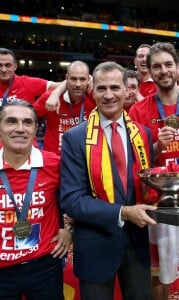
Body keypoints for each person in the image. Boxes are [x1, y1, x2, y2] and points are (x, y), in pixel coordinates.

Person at [59, 61, 157, 300]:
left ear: (127, 90)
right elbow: (72, 200)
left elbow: (148, 187)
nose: (109, 95)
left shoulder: (143, 134)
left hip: (137, 243)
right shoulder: (75, 138)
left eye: (115, 87)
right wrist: (123, 212)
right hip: (95, 245)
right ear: (93, 91)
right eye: (102, 88)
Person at [129, 42, 179, 300]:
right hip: (158, 204)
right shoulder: (138, 110)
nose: (163, 71)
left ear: (177, 67)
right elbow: (138, 161)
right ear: (149, 71)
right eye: (157, 66)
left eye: (168, 65)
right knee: (159, 272)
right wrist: (157, 145)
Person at [0, 99, 72, 300]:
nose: (20, 129)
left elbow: (79, 196)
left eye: (27, 122)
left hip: (44, 266)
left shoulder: (54, 164)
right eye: (11, 121)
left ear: (35, 129)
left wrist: (70, 229)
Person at [33, 60, 96, 155]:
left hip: (85, 159)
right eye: (73, 79)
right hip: (56, 161)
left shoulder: (94, 98)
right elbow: (26, 118)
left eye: (82, 79)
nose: (78, 84)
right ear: (66, 78)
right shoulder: (50, 98)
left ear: (88, 79)